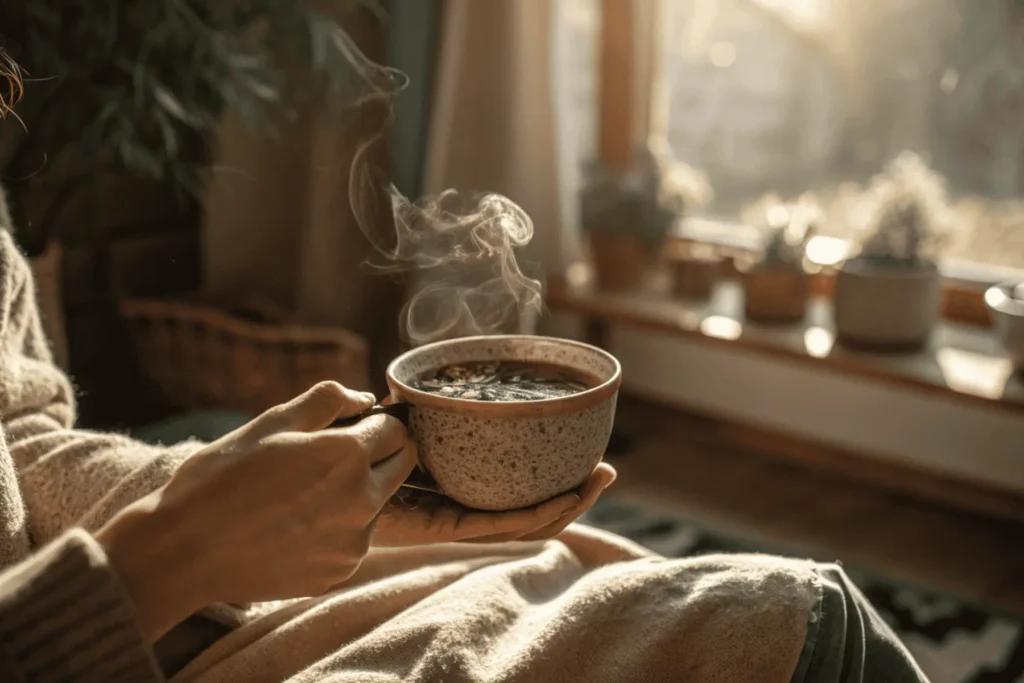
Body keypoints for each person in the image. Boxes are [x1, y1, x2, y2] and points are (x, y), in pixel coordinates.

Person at [0, 56, 930, 683]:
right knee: (801, 633)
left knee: (606, 565)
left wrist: (204, 494)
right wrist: (156, 563)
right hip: (97, 635)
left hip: (154, 608)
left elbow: (22, 442)